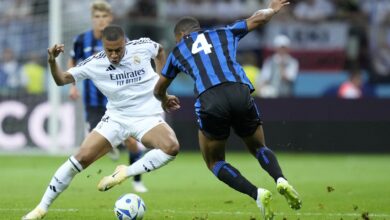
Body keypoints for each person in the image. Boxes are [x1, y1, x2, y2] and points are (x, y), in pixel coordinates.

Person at [153, 0, 301, 219]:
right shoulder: (223, 33)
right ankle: (280, 179)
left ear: (181, 35)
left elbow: (159, 88)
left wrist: (164, 99)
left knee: (214, 161)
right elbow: (257, 19)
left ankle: (257, 193)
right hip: (239, 91)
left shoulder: (178, 51)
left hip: (210, 99)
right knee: (259, 147)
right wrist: (272, 9)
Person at [22, 25, 179, 220]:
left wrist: (161, 90)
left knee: (171, 147)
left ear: (125, 43)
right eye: (109, 51)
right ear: (103, 46)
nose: (114, 55)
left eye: (118, 50)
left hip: (146, 116)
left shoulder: (142, 46)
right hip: (116, 118)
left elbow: (161, 51)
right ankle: (41, 209)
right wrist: (52, 60)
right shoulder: (94, 63)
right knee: (79, 159)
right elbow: (61, 79)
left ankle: (125, 172)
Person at [67, 0, 148, 193]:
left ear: (110, 18)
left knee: (132, 143)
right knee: (96, 137)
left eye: (104, 16)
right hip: (94, 102)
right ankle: (112, 145)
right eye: (97, 17)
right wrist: (73, 86)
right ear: (92, 19)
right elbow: (72, 60)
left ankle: (136, 180)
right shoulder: (81, 40)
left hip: (119, 101)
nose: (100, 20)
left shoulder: (121, 39)